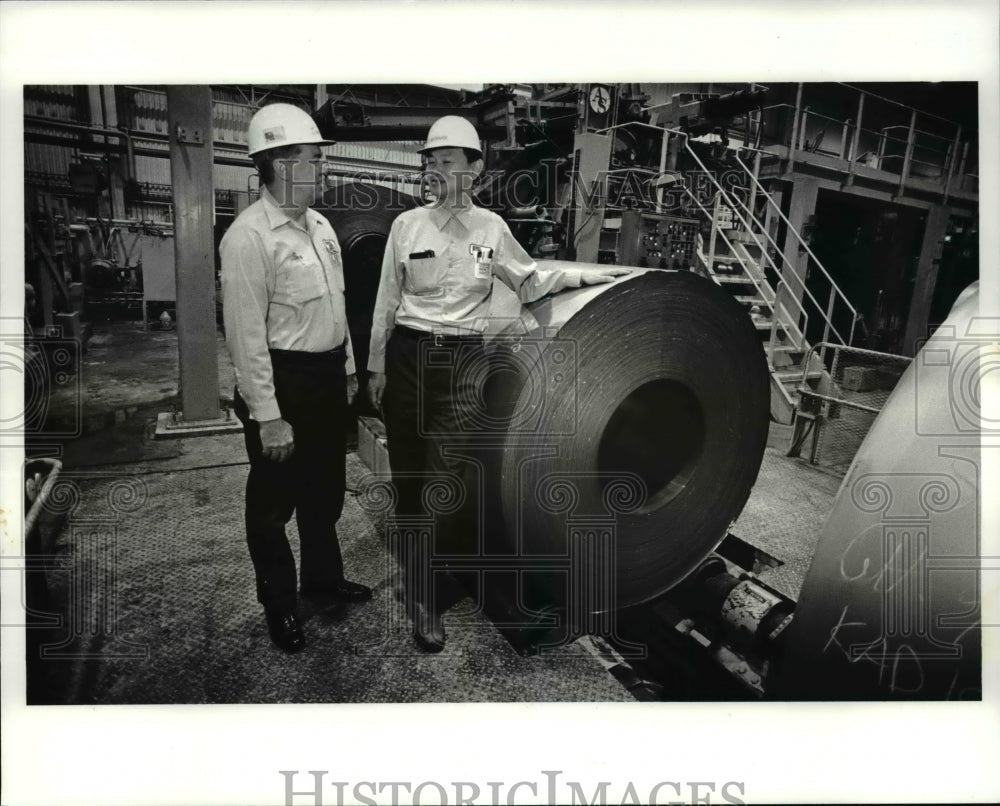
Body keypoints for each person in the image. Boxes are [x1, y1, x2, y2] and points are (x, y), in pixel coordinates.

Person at [367, 115, 629, 652]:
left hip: (462, 364)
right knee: (410, 475)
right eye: (430, 160)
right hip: (409, 354)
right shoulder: (407, 225)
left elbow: (530, 277)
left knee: (446, 481)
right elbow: (385, 302)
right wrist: (375, 366)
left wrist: (591, 275)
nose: (434, 170)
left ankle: (427, 599)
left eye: (445, 161)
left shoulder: (491, 229)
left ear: (474, 169)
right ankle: (417, 569)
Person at [221, 103, 372, 654]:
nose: (322, 169)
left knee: (324, 493)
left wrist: (350, 372)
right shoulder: (248, 238)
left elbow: (338, 306)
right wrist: (268, 416)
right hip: (284, 384)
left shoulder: (321, 226)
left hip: (328, 378)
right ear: (282, 164)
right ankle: (280, 606)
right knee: (271, 508)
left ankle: (323, 581)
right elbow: (244, 337)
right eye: (314, 159)